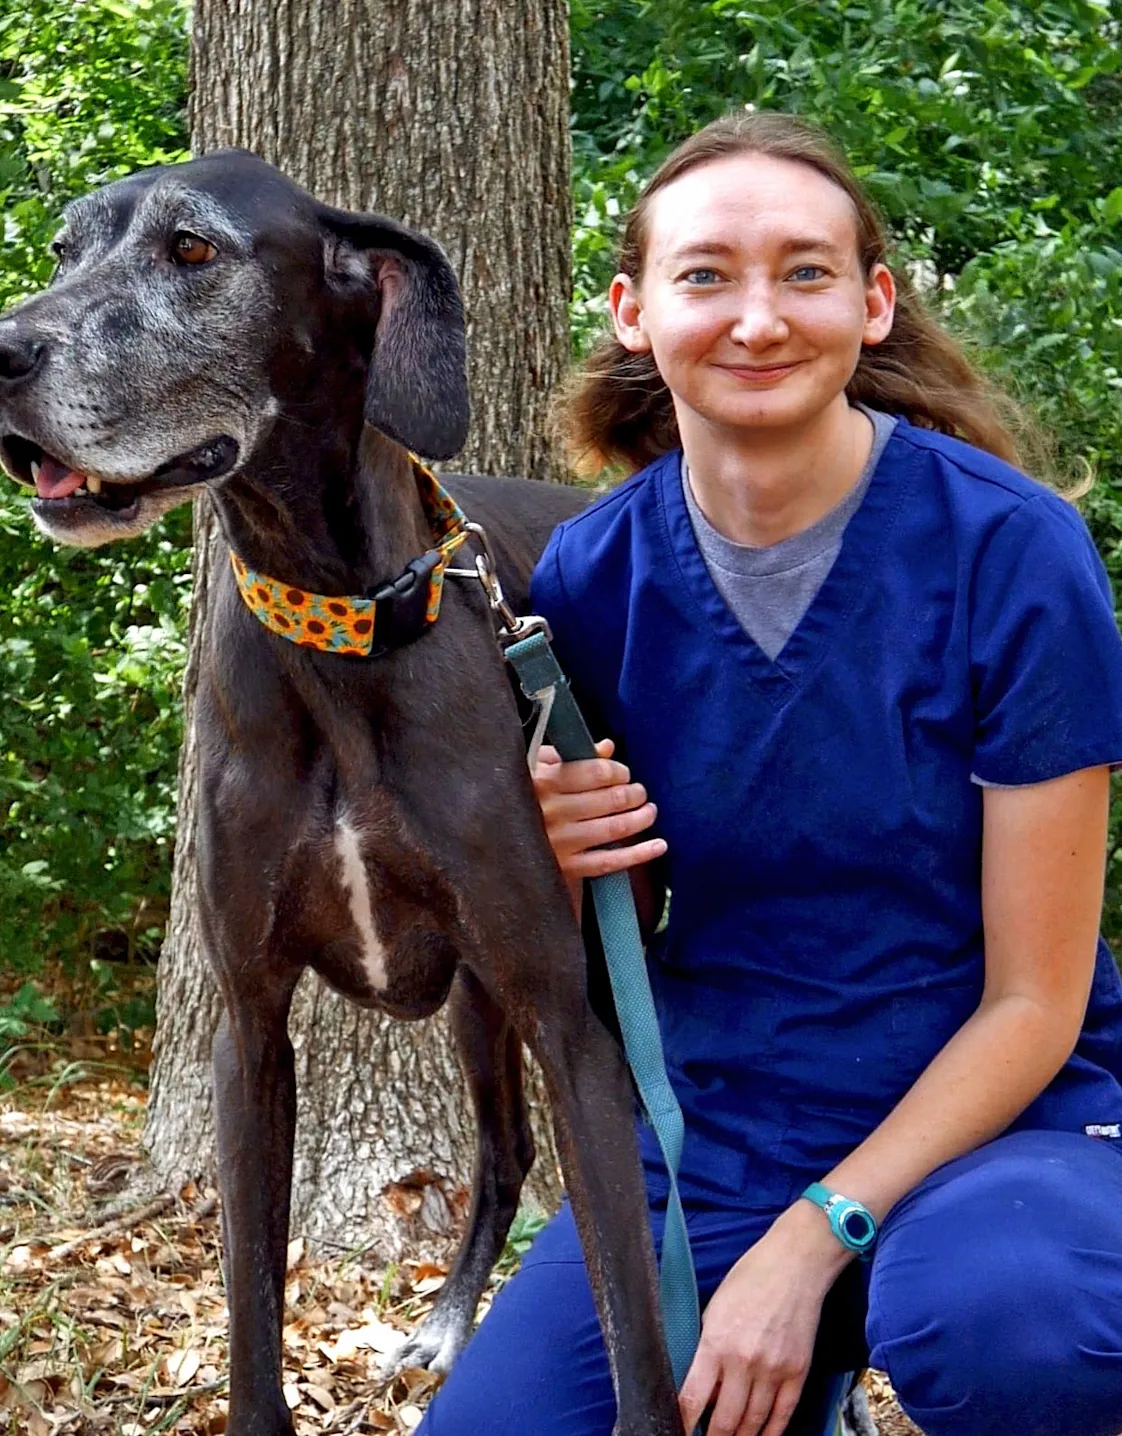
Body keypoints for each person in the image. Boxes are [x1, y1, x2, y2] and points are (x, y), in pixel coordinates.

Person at [418, 111, 1122, 1436]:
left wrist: (808, 1244)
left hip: (1006, 1124)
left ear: (872, 304)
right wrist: (551, 856)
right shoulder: (589, 577)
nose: (757, 319)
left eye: (805, 272)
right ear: (634, 313)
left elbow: (1036, 999)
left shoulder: (1012, 551)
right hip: (724, 1123)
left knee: (1019, 1327)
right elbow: (593, 954)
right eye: (705, 275)